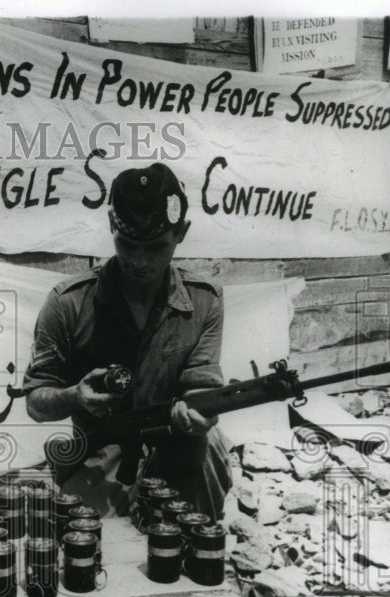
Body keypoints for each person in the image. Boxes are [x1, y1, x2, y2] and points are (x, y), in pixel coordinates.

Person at [24, 162, 233, 521]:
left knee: (208, 451)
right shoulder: (67, 302)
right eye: (127, 244)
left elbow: (200, 387)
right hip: (100, 453)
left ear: (181, 232)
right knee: (89, 557)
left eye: (155, 247)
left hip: (176, 447)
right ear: (110, 224)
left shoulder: (205, 300)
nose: (139, 261)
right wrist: (75, 396)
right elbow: (36, 402)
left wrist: (201, 412)